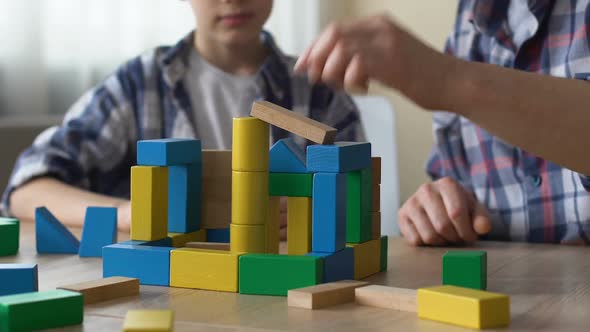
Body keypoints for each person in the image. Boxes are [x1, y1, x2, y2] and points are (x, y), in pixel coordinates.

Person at [1, 0, 364, 232]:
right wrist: (134, 214)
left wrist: (320, 211)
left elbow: (363, 200)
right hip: (171, 288)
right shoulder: (139, 83)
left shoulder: (321, 91)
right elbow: (27, 189)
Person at [295, 1, 590, 245]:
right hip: (504, 294)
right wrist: (439, 207)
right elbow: (453, 183)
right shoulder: (470, 22)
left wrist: (447, 79)